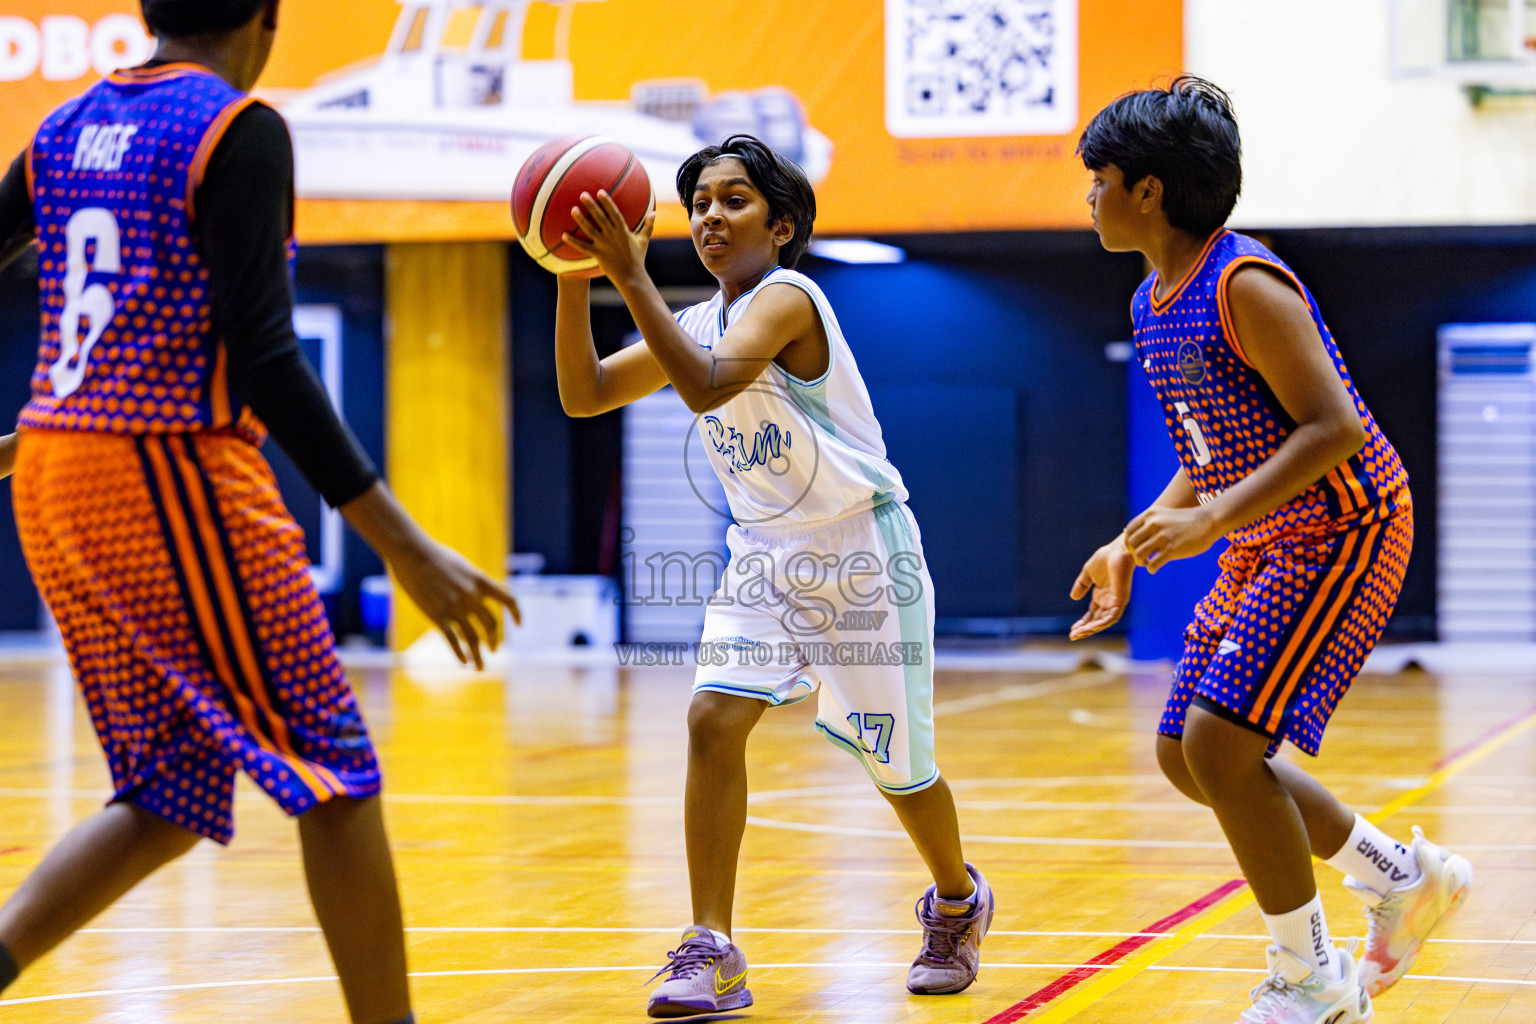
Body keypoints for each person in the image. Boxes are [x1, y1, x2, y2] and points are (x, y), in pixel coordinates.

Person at [0, 2, 520, 1021]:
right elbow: (269, 360)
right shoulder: (237, 126)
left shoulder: (61, 129)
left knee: (171, 788)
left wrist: (56, 422)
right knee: (334, 762)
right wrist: (405, 548)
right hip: (161, 465)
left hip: (60, 466)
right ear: (267, 20)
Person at [554, 134, 992, 1017]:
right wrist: (572, 277)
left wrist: (630, 276)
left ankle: (956, 897)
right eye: (700, 204)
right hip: (764, 553)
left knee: (899, 766)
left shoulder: (790, 298)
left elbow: (709, 388)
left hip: (863, 550)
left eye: (734, 201)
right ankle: (709, 946)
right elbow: (585, 393)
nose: (711, 216)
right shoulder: (700, 320)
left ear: (781, 224)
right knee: (712, 718)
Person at [1069, 77, 1472, 1024]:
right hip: (1267, 537)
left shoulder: (1243, 281)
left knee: (1221, 743)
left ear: (1149, 192)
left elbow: (1330, 425)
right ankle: (1401, 877)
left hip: (1348, 529)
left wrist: (1208, 525)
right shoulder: (1151, 299)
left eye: (1099, 177)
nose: (1086, 194)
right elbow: (1204, 454)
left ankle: (1313, 979)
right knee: (1186, 753)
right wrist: (1129, 544)